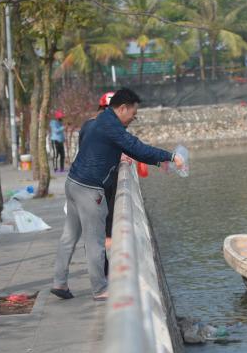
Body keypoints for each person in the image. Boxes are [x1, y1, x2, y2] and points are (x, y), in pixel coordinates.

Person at [52, 88, 184, 301]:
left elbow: (129, 149)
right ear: (122, 108)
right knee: (95, 241)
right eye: (133, 113)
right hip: (89, 189)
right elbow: (136, 148)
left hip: (73, 183)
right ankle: (100, 289)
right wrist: (171, 155)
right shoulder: (111, 126)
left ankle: (59, 282)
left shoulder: (99, 120)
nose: (134, 118)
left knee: (69, 236)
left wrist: (160, 161)